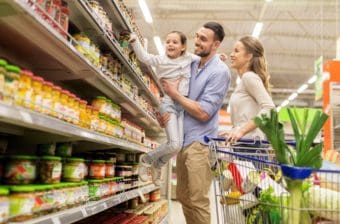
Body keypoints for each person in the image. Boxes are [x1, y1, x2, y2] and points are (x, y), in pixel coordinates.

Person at [160, 22, 230, 224]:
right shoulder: (191, 63)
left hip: (200, 144)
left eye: (203, 39)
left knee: (198, 200)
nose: (197, 42)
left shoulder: (220, 72)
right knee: (183, 196)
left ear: (215, 45)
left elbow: (204, 112)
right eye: (197, 37)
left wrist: (175, 95)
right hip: (183, 139)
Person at [129, 31, 199, 186]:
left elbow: (205, 60)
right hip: (168, 104)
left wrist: (219, 58)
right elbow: (144, 57)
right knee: (174, 144)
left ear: (183, 47)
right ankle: (147, 159)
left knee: (178, 146)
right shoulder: (161, 60)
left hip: (183, 105)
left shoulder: (189, 58)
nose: (170, 44)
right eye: (168, 42)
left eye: (175, 42)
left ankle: (158, 165)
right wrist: (134, 41)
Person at [220, 36, 275, 159]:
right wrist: (235, 130)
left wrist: (241, 131)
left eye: (236, 51)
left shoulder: (249, 77)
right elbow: (247, 115)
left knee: (251, 179)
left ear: (249, 56)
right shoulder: (244, 80)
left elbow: (269, 109)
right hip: (245, 145)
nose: (231, 54)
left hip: (250, 147)